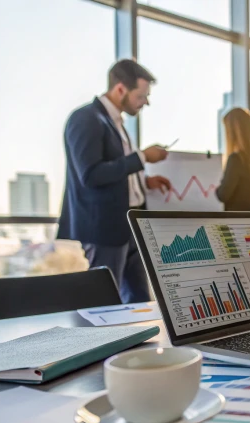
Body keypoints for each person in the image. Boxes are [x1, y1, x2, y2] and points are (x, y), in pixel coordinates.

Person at [58, 59, 172, 304]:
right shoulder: (86, 119)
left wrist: (144, 182)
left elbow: (115, 172)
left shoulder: (115, 123)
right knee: (106, 304)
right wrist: (142, 157)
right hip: (106, 229)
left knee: (141, 302)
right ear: (121, 89)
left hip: (129, 226)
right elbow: (90, 174)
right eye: (141, 96)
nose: (146, 102)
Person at [216, 108, 250, 211]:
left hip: (235, 221)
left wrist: (215, 189)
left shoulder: (236, 159)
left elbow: (223, 195)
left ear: (232, 132)